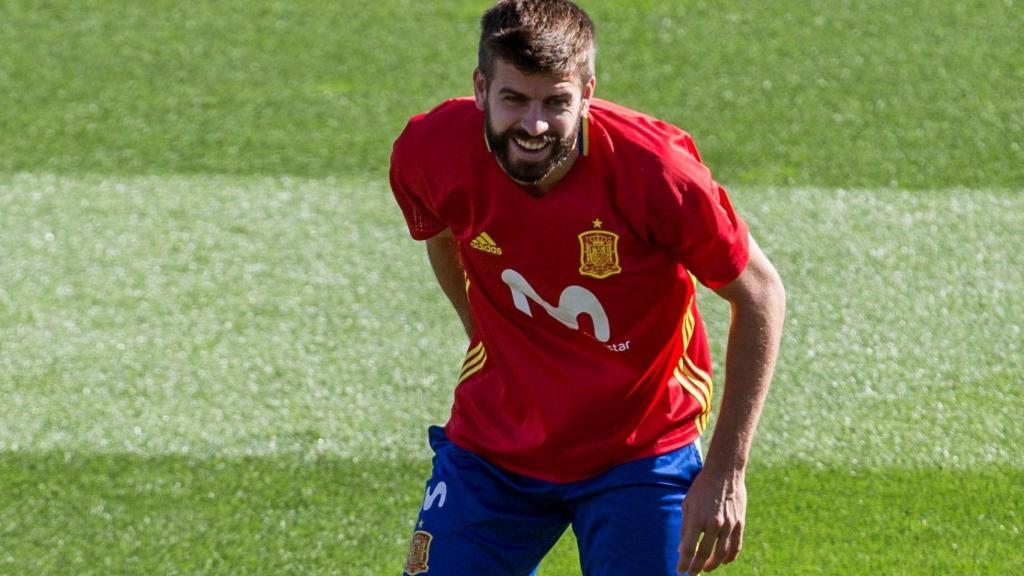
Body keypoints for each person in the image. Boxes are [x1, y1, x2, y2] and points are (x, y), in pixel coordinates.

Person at [388, 1, 785, 574]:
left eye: (556, 102)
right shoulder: (429, 150)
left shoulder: (658, 172)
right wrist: (484, 335)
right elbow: (441, 229)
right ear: (480, 88)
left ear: (588, 93)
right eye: (514, 99)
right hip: (494, 446)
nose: (534, 125)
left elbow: (761, 294)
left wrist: (726, 470)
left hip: (641, 451)